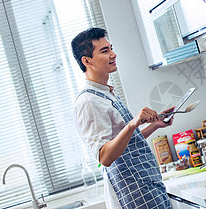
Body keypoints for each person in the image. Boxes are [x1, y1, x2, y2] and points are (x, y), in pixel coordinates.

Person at [71, 27, 174, 208]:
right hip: (133, 195)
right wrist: (132, 124)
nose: (113, 54)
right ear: (87, 61)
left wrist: (154, 125)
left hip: (147, 187)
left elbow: (127, 146)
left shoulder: (106, 94)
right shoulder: (89, 102)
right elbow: (104, 156)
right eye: (105, 51)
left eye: (111, 48)